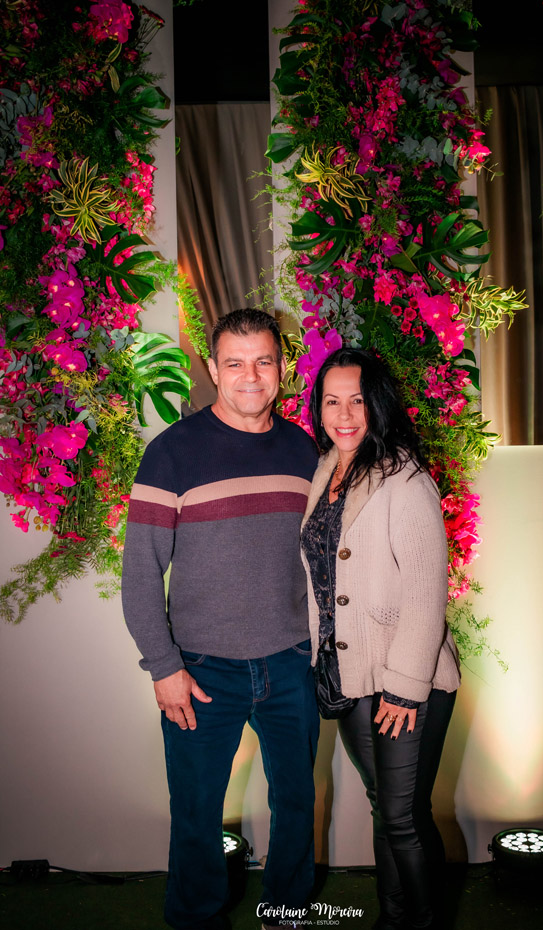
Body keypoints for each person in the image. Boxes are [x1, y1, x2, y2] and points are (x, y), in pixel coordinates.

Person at [121, 309, 320, 930]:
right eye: (234, 363)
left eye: (263, 361)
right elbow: (140, 573)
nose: (250, 376)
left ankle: (288, 914)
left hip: (291, 662)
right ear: (212, 368)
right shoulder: (171, 454)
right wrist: (164, 668)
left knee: (297, 804)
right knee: (196, 813)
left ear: (281, 367)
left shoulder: (304, 449)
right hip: (202, 671)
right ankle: (195, 920)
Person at [300, 348, 460, 930]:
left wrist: (405, 688)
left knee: (404, 818)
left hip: (403, 679)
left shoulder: (405, 477)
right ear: (318, 408)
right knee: (384, 810)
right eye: (332, 401)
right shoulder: (325, 468)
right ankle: (392, 921)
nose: (344, 415)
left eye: (358, 401)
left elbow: (426, 589)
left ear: (379, 404)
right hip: (349, 674)